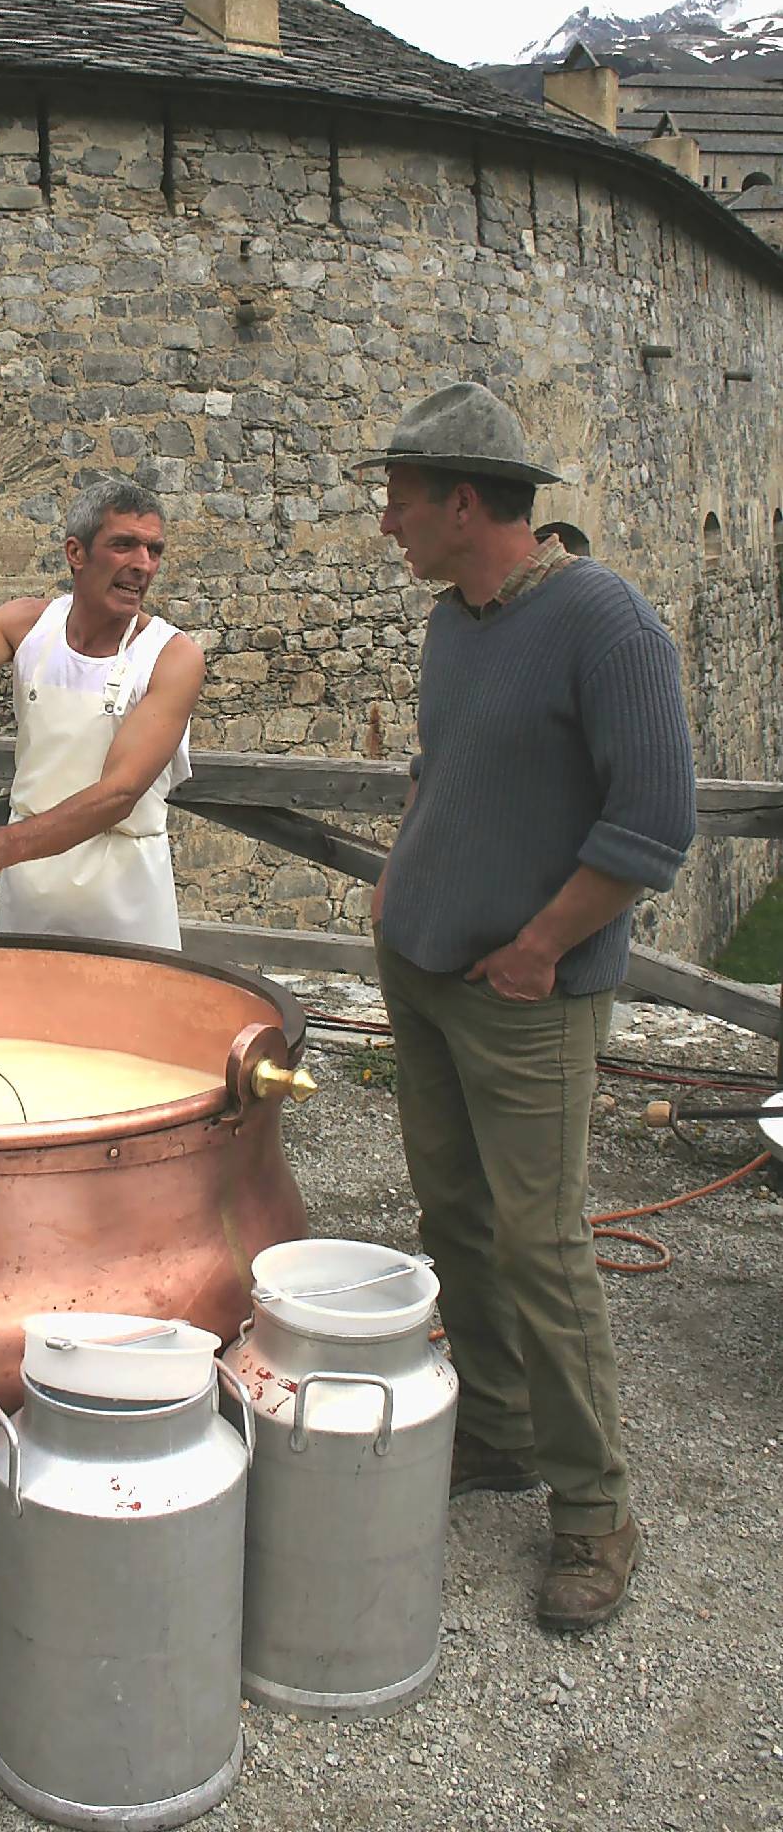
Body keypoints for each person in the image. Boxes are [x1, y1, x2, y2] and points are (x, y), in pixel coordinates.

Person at [361, 381, 696, 1631]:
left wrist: (542, 945)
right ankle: (496, 1431)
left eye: (400, 499)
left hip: (524, 996)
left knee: (542, 1247)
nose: (386, 522)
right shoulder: (459, 616)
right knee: (455, 1217)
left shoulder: (607, 626)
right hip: (427, 968)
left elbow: (654, 823)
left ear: (463, 499)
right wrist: (403, 872)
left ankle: (594, 1510)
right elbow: (444, 766)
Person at [0, 475, 204, 949]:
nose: (142, 565)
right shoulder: (28, 625)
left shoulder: (172, 656)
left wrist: (5, 846)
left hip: (125, 900)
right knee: (23, 1021)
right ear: (76, 553)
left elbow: (119, 793)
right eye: (124, 545)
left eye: (153, 550)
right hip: (31, 892)